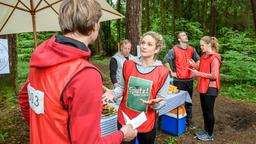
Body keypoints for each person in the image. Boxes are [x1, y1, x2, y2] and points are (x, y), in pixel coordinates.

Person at [18, 0, 137, 143]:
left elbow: (25, 99)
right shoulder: (84, 74)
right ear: (94, 26)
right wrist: (122, 134)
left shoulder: (39, 57)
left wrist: (43, 131)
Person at [103, 31, 170, 144]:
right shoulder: (128, 64)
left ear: (157, 49)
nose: (144, 46)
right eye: (143, 43)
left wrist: (155, 104)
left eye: (149, 44)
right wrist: (112, 93)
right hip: (125, 118)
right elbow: (121, 88)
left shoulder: (163, 72)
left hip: (146, 120)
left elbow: (161, 99)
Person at [162, 31, 200, 129]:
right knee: (177, 101)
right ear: (179, 39)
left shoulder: (192, 49)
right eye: (183, 35)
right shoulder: (174, 49)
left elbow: (198, 60)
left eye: (186, 34)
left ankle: (189, 121)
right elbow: (165, 60)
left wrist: (195, 67)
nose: (186, 36)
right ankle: (177, 121)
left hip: (189, 80)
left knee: (189, 101)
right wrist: (171, 72)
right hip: (178, 80)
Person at [188, 36, 221, 141]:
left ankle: (210, 135)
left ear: (209, 45)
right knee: (205, 111)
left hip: (211, 88)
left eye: (202, 45)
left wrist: (197, 73)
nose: (201, 47)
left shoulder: (214, 58)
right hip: (203, 87)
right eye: (200, 45)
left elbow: (214, 76)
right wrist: (194, 65)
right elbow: (203, 69)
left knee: (209, 112)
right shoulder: (203, 56)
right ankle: (206, 131)